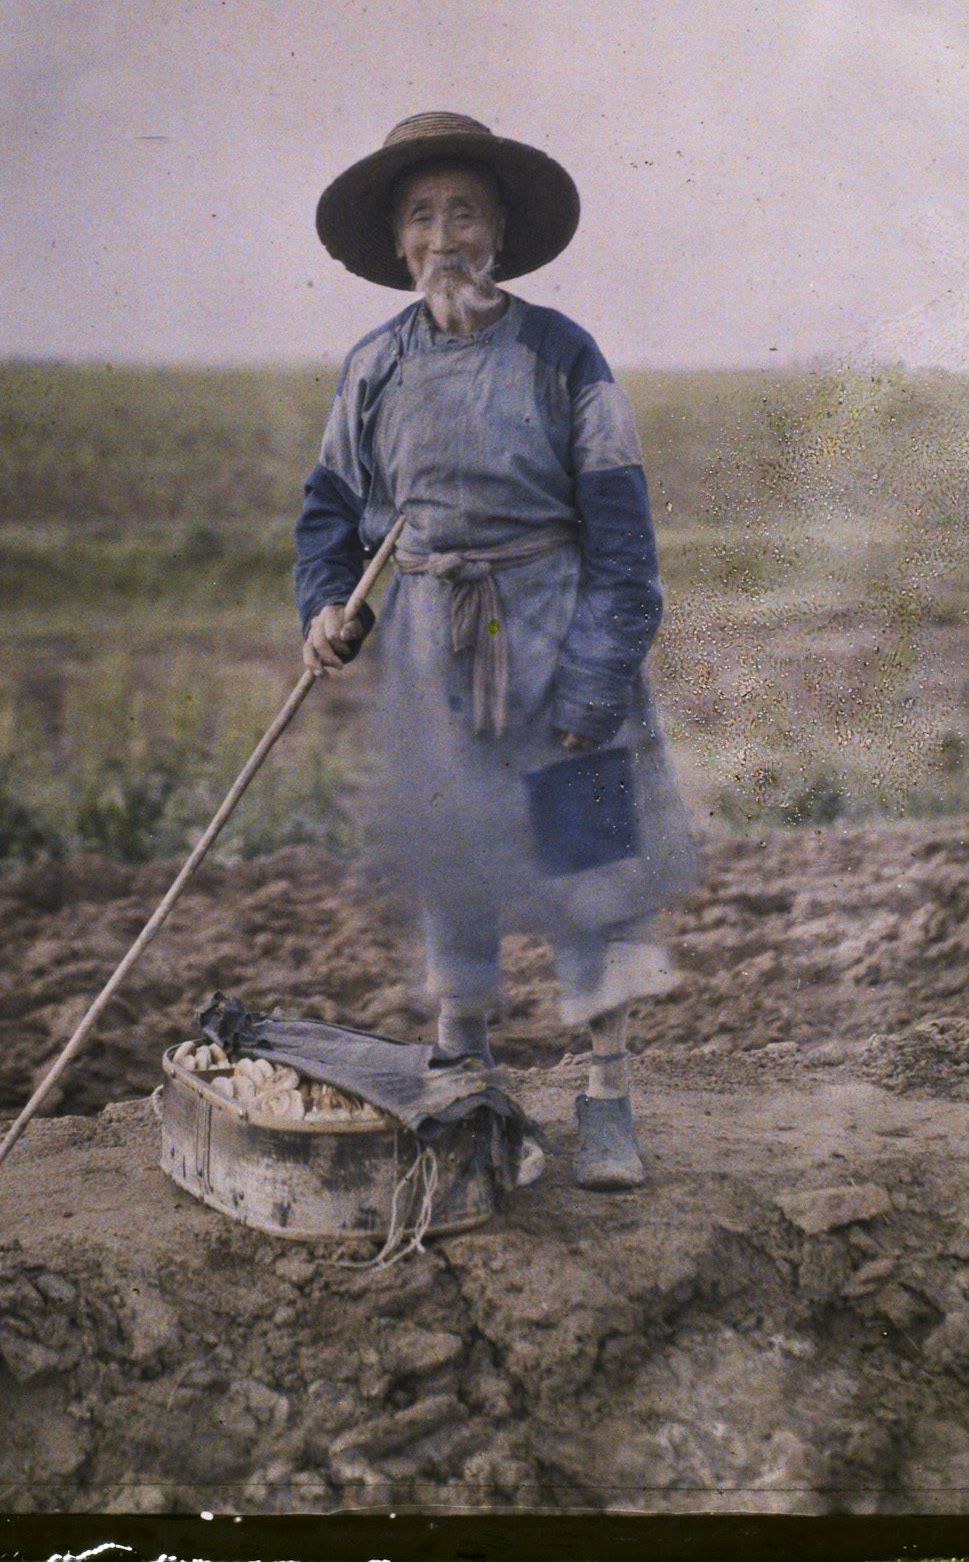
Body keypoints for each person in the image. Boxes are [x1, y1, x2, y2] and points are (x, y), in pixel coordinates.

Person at [293, 111, 698, 1190]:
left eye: (462, 210)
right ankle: (461, 1095)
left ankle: (607, 1099)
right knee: (454, 866)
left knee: (590, 868)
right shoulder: (372, 367)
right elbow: (332, 514)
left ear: (499, 232)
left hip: (561, 639)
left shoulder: (563, 355)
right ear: (397, 243)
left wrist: (596, 678)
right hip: (432, 656)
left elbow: (623, 537)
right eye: (420, 215)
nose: (443, 235)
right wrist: (330, 607)